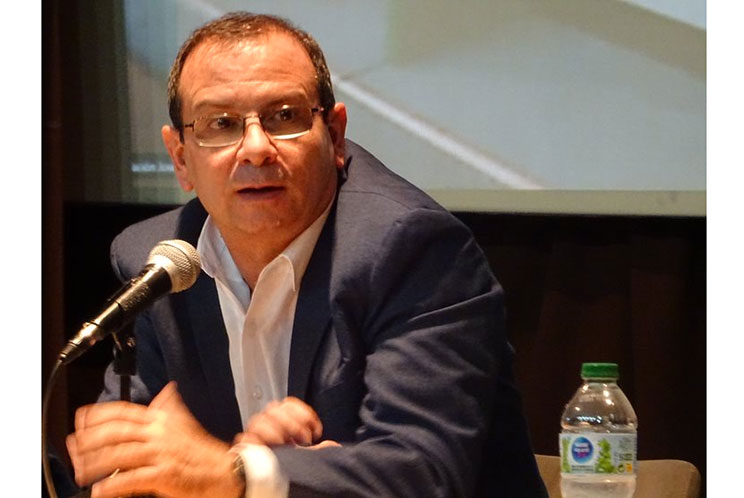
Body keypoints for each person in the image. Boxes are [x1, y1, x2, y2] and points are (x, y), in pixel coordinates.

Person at [65, 12, 547, 498]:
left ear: (335, 135)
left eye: (284, 117)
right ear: (181, 158)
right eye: (222, 124)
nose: (256, 148)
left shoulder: (412, 249)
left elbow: (421, 472)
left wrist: (239, 472)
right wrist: (241, 465)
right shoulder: (159, 266)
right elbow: (129, 473)